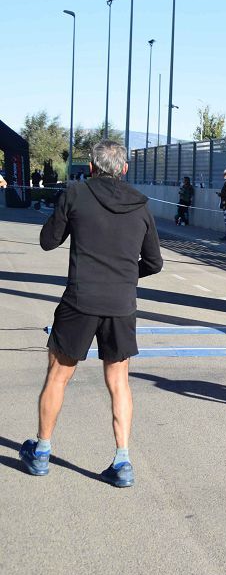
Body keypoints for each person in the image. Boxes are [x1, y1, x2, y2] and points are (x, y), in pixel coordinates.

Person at [19, 140, 163, 488]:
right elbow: (155, 263)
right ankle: (123, 460)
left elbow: (47, 241)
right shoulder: (141, 206)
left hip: (80, 302)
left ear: (92, 168)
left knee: (58, 375)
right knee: (118, 381)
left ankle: (41, 452)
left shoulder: (75, 193)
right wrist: (126, 275)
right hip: (121, 305)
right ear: (124, 169)